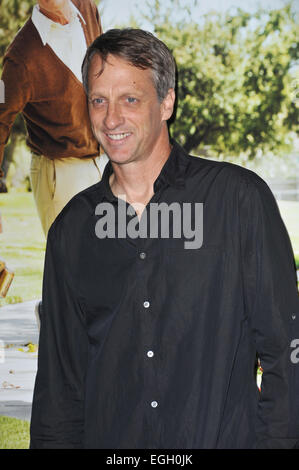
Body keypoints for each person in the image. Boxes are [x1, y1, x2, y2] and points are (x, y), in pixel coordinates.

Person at [30, 28, 299, 449]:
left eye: (130, 99)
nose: (111, 118)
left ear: (167, 102)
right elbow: (58, 394)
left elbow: (287, 354)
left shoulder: (238, 201)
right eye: (99, 100)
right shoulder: (72, 231)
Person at [0, 0, 107, 237]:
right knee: (74, 269)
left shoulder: (88, 9)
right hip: (61, 173)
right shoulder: (20, 58)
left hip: (102, 162)